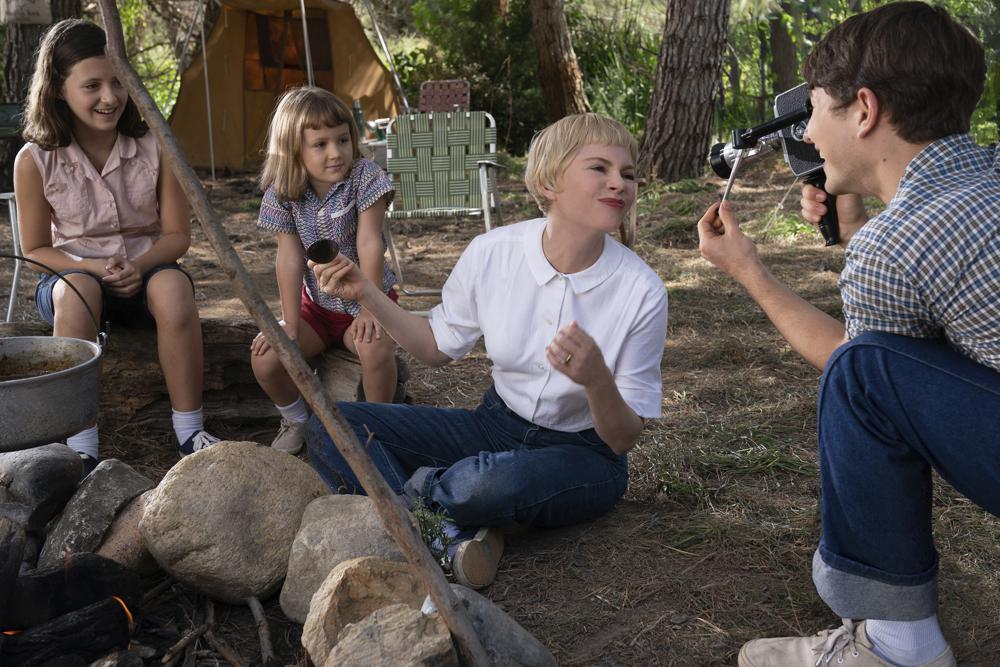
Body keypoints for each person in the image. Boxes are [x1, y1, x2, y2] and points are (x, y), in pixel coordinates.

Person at [696, 3, 998, 666]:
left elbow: (863, 368)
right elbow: (919, 341)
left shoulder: (899, 244)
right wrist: (854, 213)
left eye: (816, 110)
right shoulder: (982, 181)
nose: (805, 129)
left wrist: (749, 269)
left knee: (861, 374)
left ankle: (898, 645)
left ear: (864, 110)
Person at [307, 113, 668, 589]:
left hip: (584, 455)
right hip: (494, 425)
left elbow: (622, 439)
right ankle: (445, 533)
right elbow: (435, 347)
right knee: (332, 422)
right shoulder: (492, 252)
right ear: (548, 182)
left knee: (483, 483)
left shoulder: (642, 290)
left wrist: (597, 379)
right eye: (599, 168)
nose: (619, 183)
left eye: (628, 173)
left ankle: (419, 512)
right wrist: (366, 293)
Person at [13, 19, 220, 470]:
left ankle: (189, 430)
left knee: (174, 290)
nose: (110, 97)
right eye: (92, 86)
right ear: (57, 90)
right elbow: (34, 249)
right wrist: (91, 268)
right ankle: (80, 441)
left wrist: (139, 265)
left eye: (118, 82)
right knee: (80, 291)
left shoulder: (156, 146)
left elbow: (177, 236)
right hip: (73, 279)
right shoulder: (35, 160)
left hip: (148, 271)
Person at [250, 87, 398, 455]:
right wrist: (289, 322)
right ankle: (298, 418)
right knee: (267, 358)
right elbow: (288, 259)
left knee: (376, 348)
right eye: (320, 144)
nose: (336, 152)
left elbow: (369, 244)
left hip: (366, 297)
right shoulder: (283, 190)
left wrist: (371, 306)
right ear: (293, 150)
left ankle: (382, 429)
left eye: (343, 139)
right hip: (315, 306)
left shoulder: (366, 177)